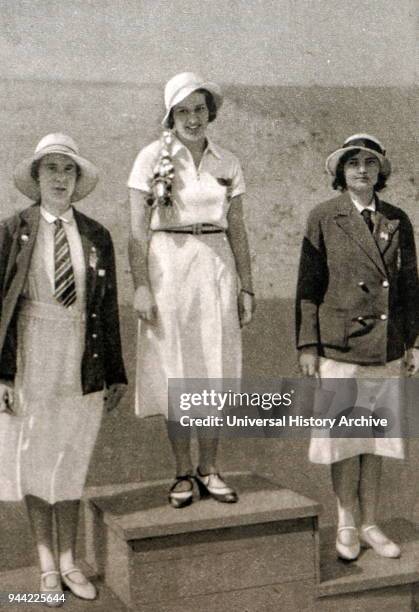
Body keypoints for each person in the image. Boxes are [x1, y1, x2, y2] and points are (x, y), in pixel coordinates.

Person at [0, 133, 127, 605]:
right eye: (50, 168)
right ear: (36, 179)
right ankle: (46, 564)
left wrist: (115, 372)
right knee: (33, 455)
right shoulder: (12, 231)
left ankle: (71, 559)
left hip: (82, 352)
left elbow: (107, 309)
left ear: (77, 180)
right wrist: (2, 375)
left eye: (67, 169)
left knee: (70, 456)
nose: (59, 177)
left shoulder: (96, 236)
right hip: (32, 350)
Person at [128, 72, 255, 509]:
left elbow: (237, 229)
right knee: (177, 369)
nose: (193, 118)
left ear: (210, 113)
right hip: (168, 267)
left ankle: (210, 467)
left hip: (216, 266)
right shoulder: (149, 159)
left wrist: (247, 288)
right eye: (183, 110)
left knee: (213, 365)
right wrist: (142, 285)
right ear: (170, 116)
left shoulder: (228, 162)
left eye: (200, 109)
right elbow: (135, 233)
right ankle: (182, 471)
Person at [296, 134, 419, 561]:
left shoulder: (399, 219)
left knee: (375, 441)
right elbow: (308, 288)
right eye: (353, 163)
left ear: (380, 171)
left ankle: (370, 523)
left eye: (370, 163)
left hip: (385, 347)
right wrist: (308, 345)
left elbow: (409, 287)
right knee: (345, 442)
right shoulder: (323, 218)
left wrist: (412, 343)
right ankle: (346, 521)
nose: (362, 170)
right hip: (339, 347)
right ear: (340, 173)